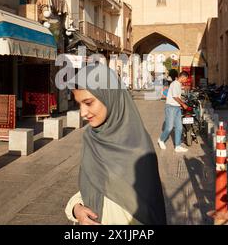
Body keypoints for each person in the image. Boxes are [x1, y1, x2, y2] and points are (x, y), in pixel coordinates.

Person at [64, 63, 167, 225]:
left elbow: (146, 212)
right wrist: (76, 209)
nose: (82, 113)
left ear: (109, 96)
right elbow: (93, 185)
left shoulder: (138, 149)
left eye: (89, 103)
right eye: (79, 104)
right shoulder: (91, 138)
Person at [157, 71, 190, 153]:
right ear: (182, 77)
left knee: (179, 127)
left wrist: (182, 102)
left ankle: (177, 146)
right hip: (171, 107)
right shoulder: (175, 84)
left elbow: (178, 96)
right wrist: (183, 104)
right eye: (186, 79)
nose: (186, 81)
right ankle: (161, 140)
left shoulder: (179, 84)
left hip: (177, 108)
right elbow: (175, 97)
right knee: (169, 127)